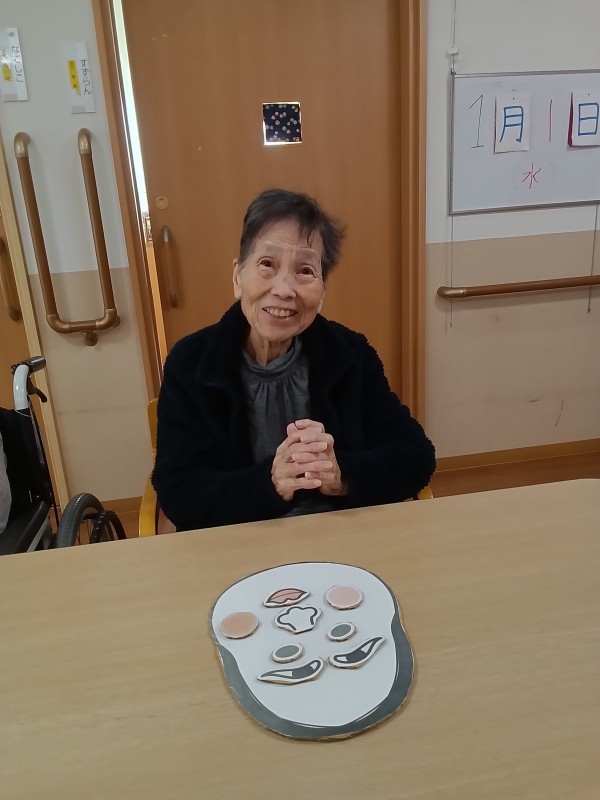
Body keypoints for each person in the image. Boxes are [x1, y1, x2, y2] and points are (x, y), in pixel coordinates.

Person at [152, 189, 435, 531]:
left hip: (345, 536)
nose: (284, 289)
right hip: (237, 540)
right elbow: (178, 491)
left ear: (322, 291)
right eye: (267, 264)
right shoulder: (191, 363)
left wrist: (342, 475)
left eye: (304, 270)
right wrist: (269, 484)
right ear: (238, 277)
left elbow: (416, 455)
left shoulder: (350, 354)